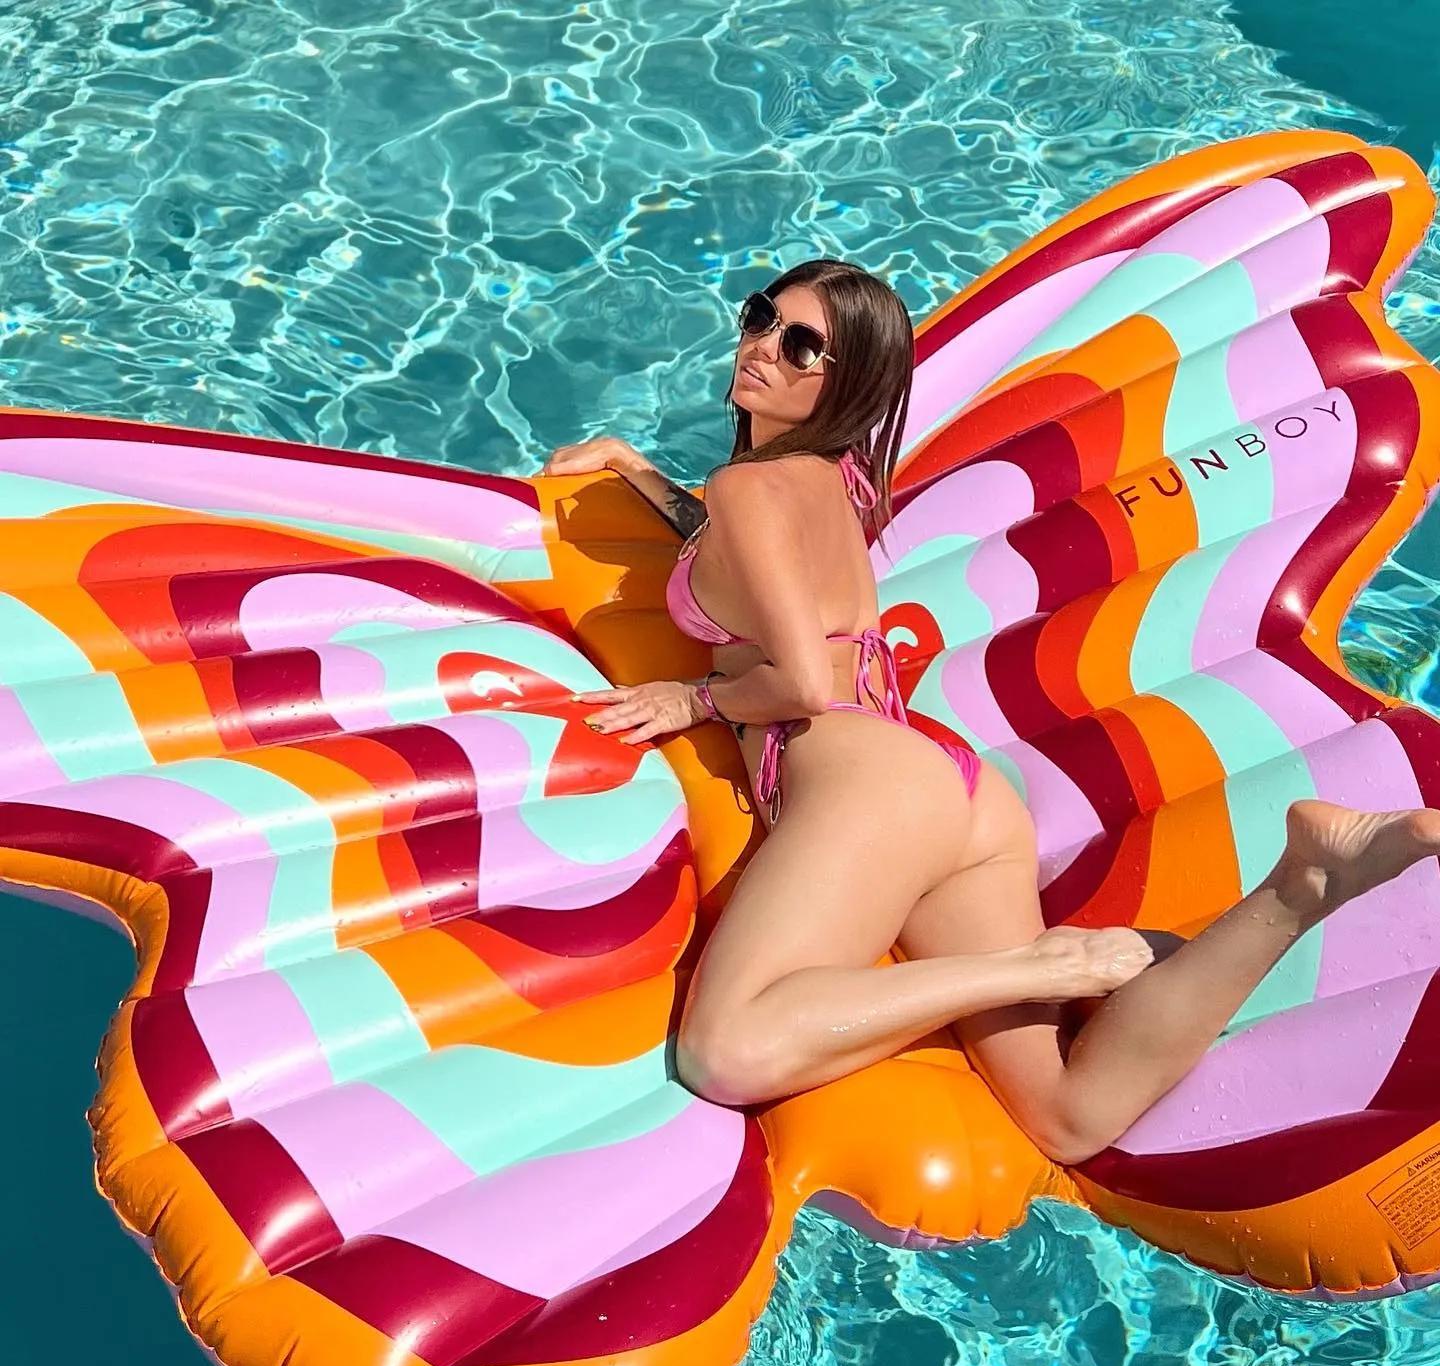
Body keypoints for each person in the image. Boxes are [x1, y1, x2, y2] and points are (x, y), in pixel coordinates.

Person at [541, 257, 1440, 1164]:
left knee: (723, 1051)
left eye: (802, 344)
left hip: (866, 790)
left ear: (846, 382)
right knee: (1068, 1117)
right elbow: (740, 552)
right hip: (950, 792)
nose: (763, 347)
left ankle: (1027, 968)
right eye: (762, 316)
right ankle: (1301, 886)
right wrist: (634, 469)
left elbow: (802, 683)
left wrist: (694, 697)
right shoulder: (837, 479)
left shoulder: (749, 489)